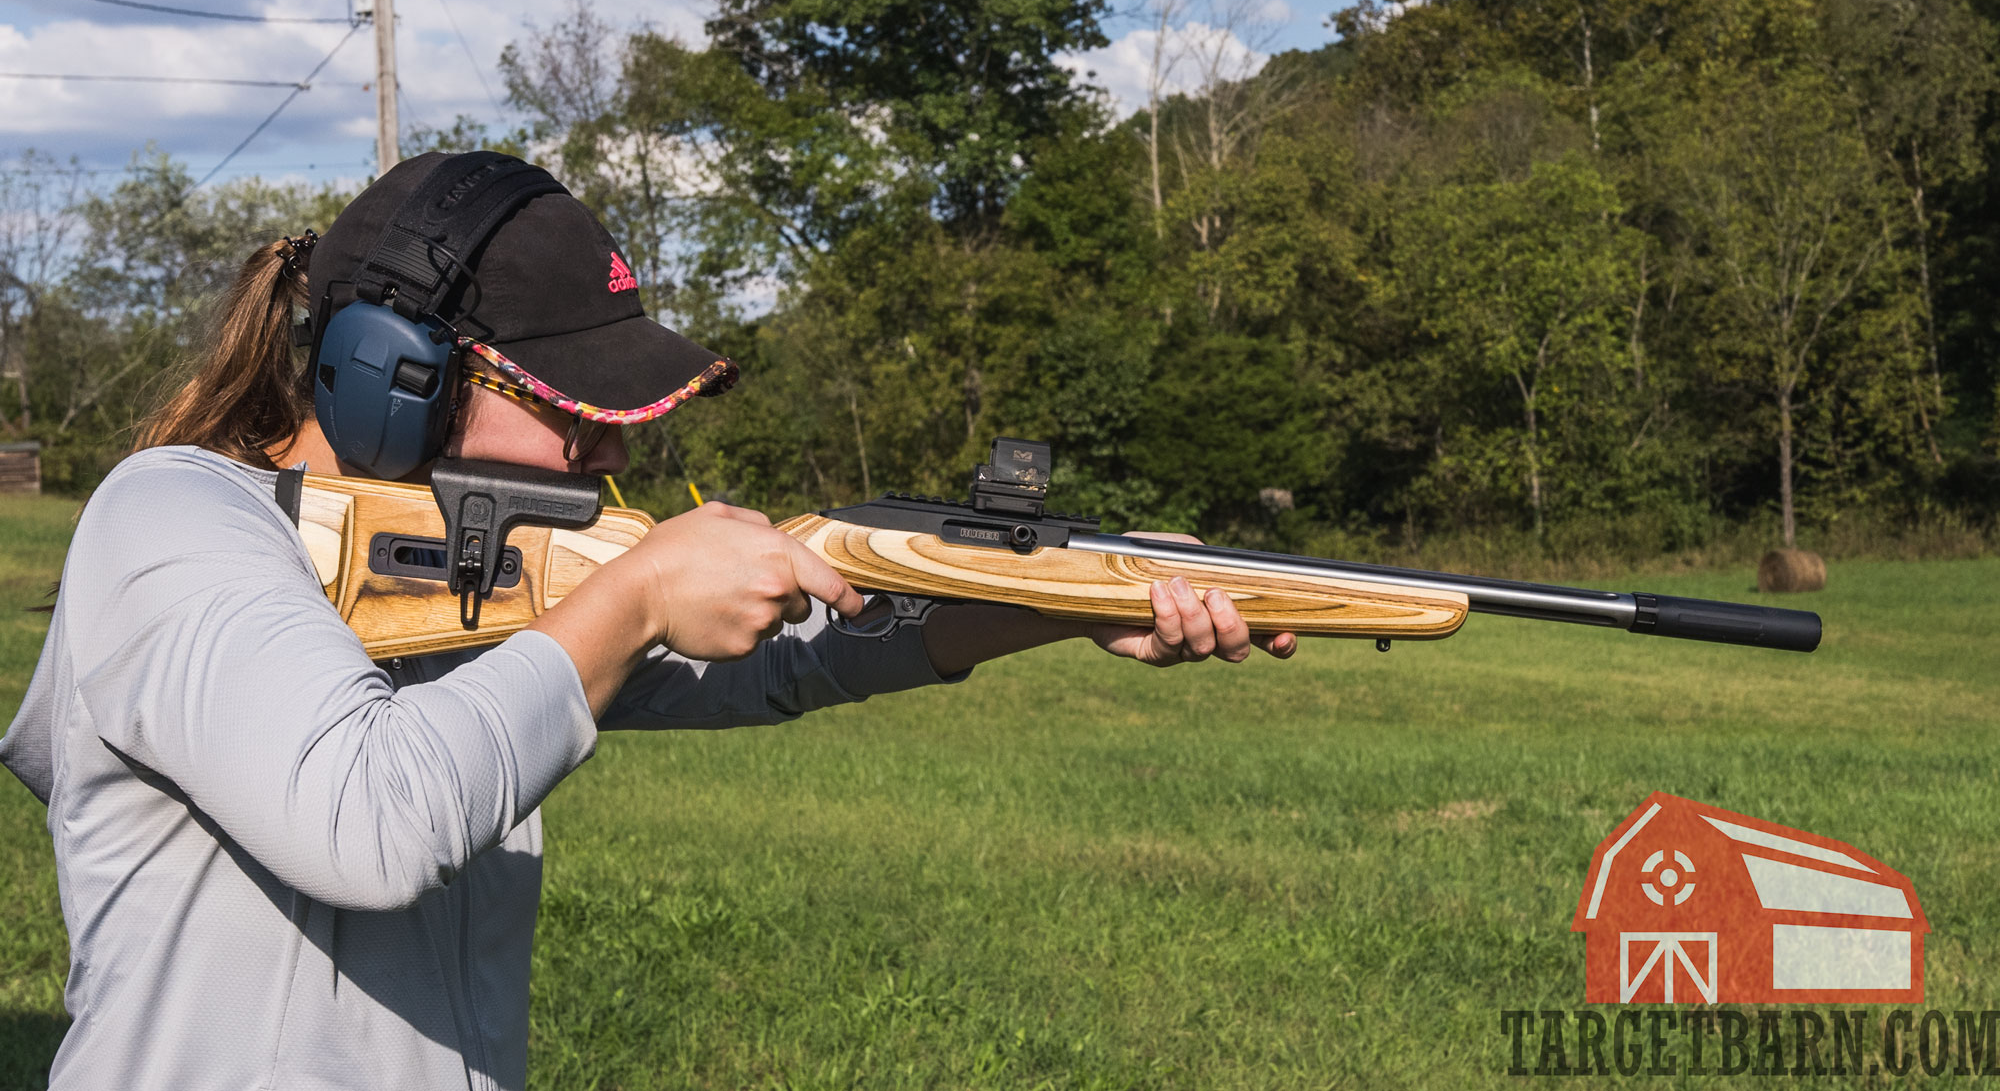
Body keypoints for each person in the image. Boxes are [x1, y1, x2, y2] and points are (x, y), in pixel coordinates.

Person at [0, 152, 1294, 1090]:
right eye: (566, 398)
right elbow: (367, 817)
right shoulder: (171, 518)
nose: (611, 436)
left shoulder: (488, 569)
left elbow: (797, 657)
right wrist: (630, 601)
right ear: (387, 371)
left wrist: (1057, 600)